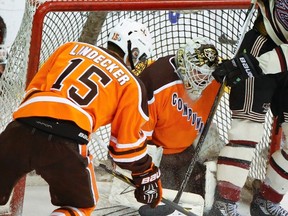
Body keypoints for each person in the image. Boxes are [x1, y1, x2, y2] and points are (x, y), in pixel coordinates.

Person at [0, 19, 162, 216]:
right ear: (134, 51)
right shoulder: (131, 83)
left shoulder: (69, 48)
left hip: (19, 129)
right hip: (66, 140)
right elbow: (125, 149)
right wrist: (146, 174)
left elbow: (33, 91)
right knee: (79, 207)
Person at [207, 0, 288, 215]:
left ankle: (267, 200)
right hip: (263, 43)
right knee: (247, 129)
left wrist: (256, 65)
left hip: (273, 59)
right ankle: (225, 203)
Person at [138, 37, 221, 209]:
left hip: (186, 153)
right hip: (158, 155)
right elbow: (135, 133)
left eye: (208, 74)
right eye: (199, 72)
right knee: (161, 202)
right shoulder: (157, 80)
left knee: (201, 200)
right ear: (184, 64)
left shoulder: (216, 81)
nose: (204, 80)